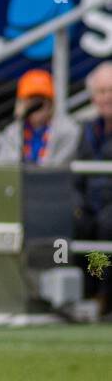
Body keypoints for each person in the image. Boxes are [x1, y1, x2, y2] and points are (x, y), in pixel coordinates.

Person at [73, 61, 112, 313]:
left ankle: (103, 294)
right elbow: (76, 178)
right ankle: (84, 292)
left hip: (110, 207)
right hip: (90, 204)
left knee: (107, 225)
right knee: (74, 220)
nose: (106, 97)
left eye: (110, 91)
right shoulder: (86, 130)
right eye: (101, 92)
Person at [0, 69, 81, 166]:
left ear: (51, 103)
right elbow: (1, 166)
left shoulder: (68, 130)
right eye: (31, 99)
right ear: (21, 103)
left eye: (41, 100)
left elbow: (58, 169)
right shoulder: (13, 132)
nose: (36, 105)